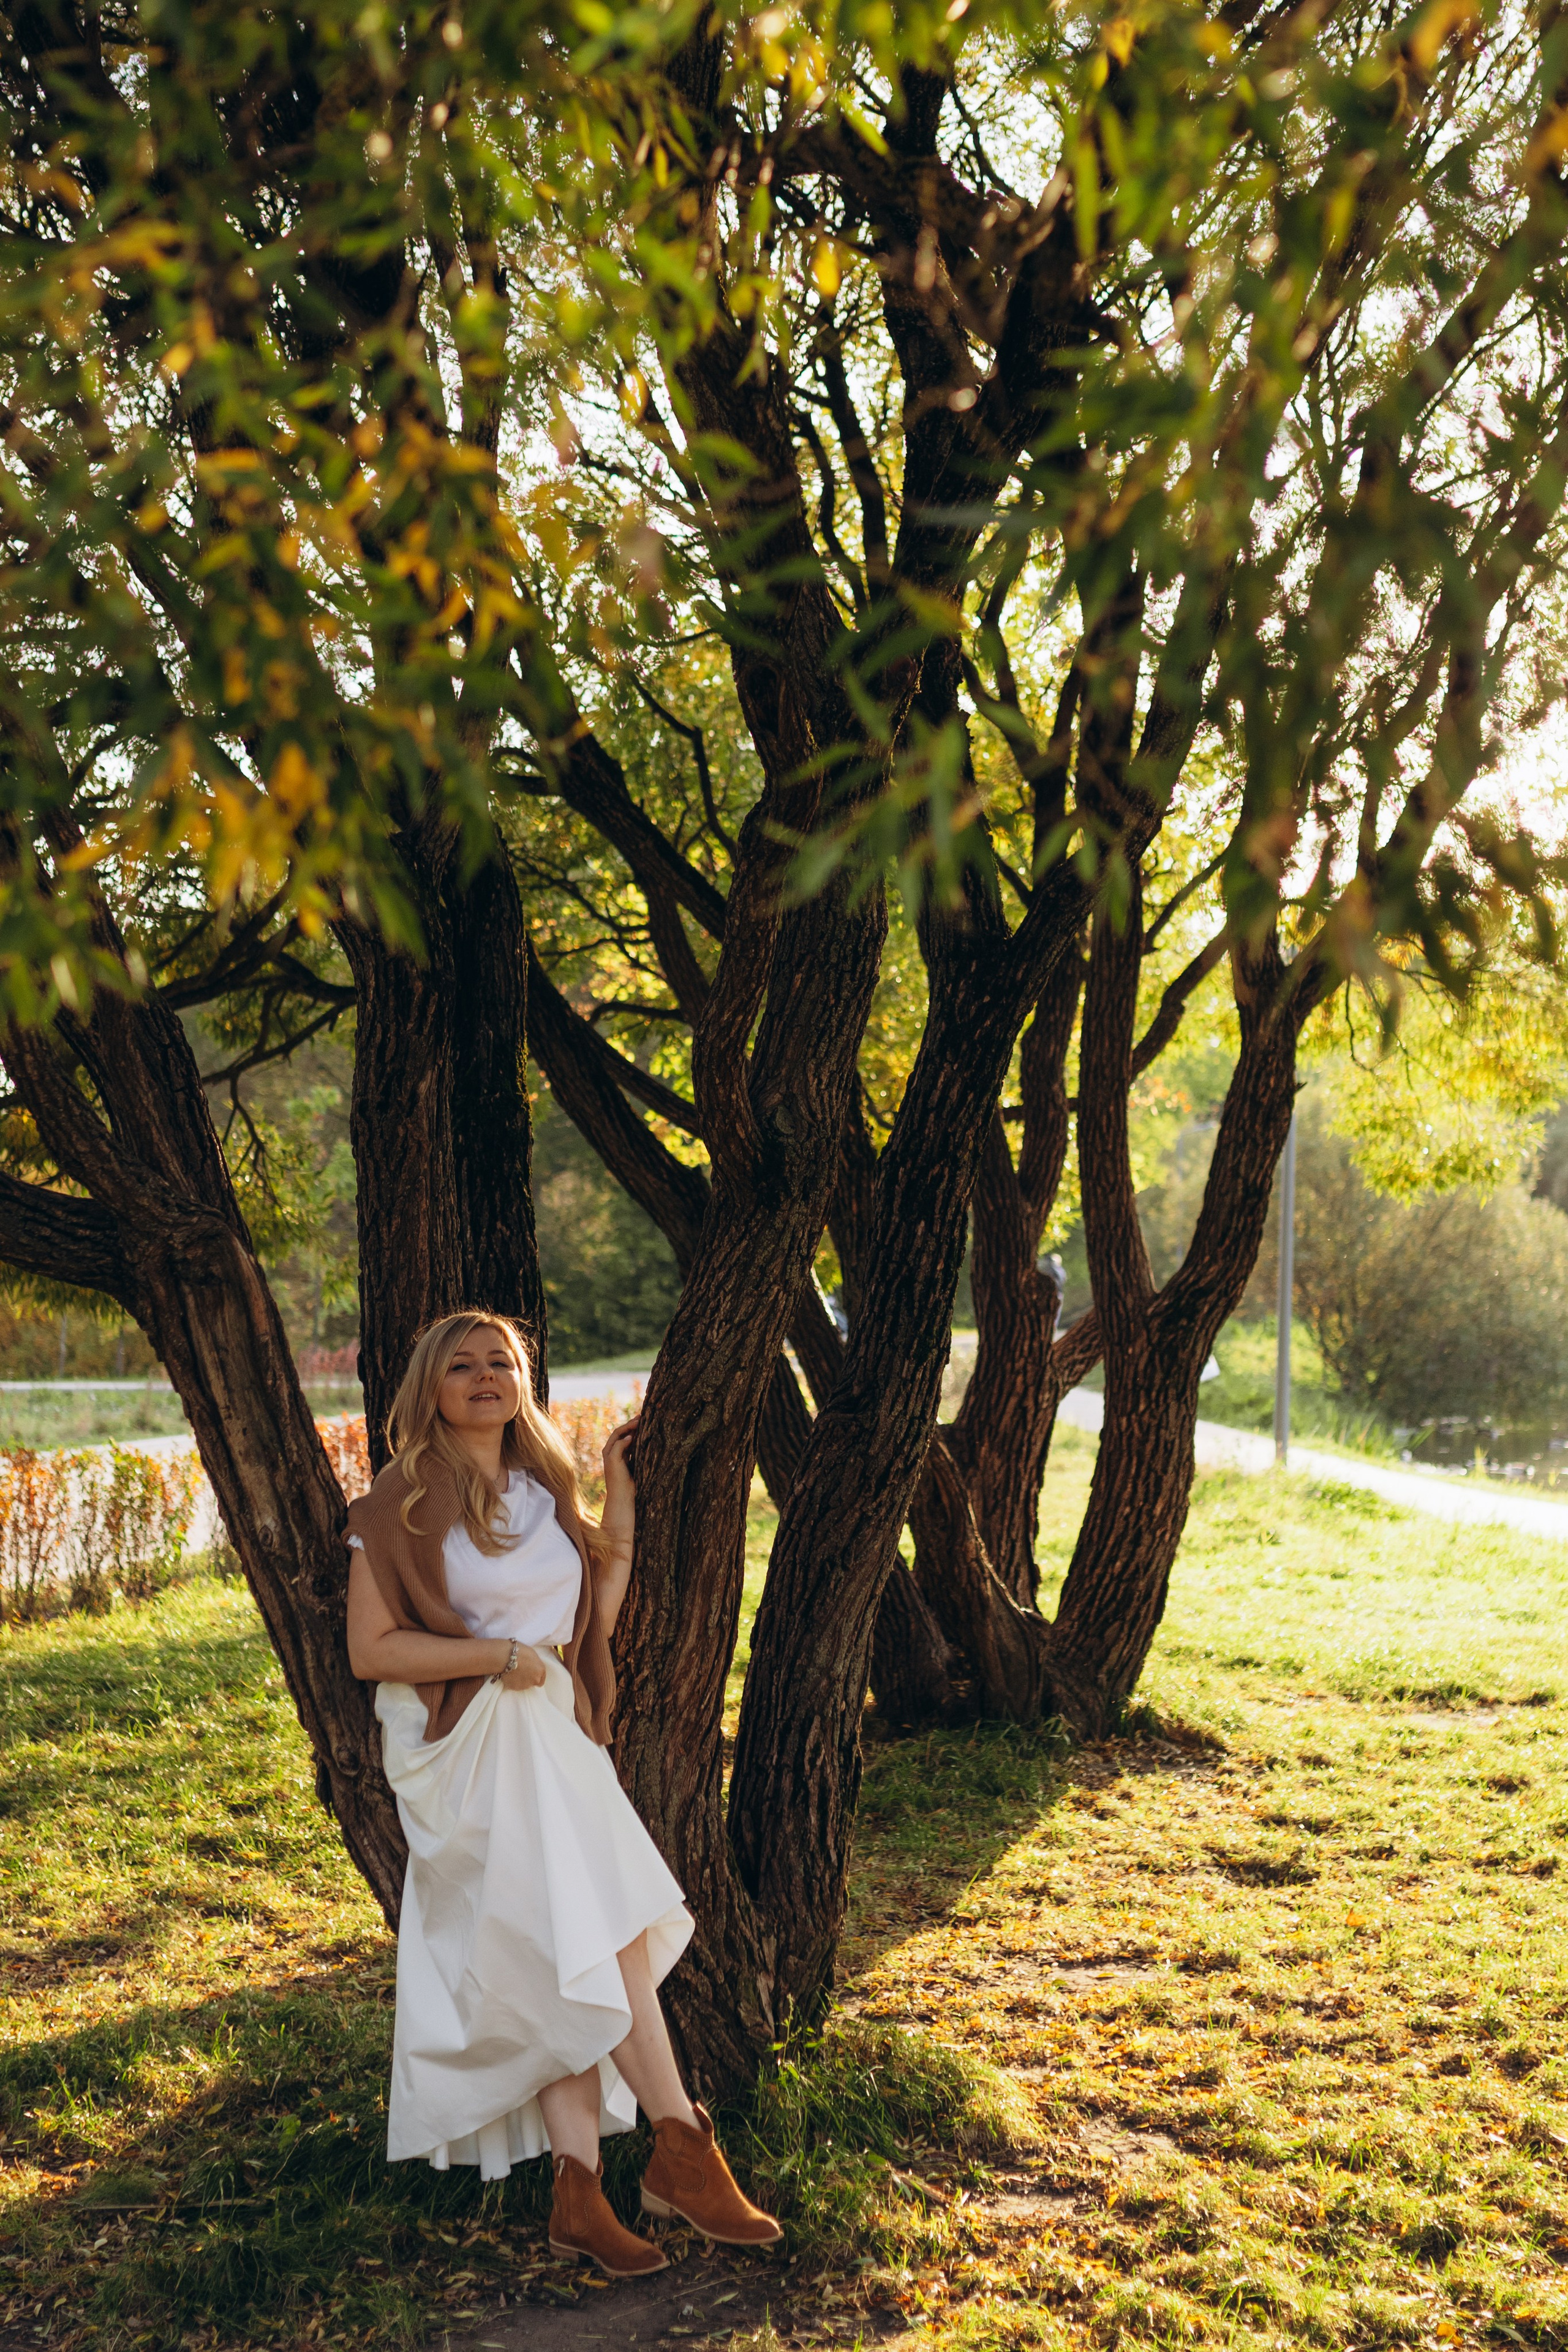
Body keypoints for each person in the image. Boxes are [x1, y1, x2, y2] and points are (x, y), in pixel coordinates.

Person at [345, 1309, 782, 2277]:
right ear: (431, 1389)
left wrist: (616, 1500)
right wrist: (496, 1656)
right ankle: (681, 2143)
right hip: (468, 1744)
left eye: (501, 1361)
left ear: (523, 1383)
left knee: (579, 1946)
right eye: (461, 1365)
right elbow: (372, 1651)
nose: (484, 1375)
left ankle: (580, 2190)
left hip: (550, 1733)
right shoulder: (399, 1502)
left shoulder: (544, 1492)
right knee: (598, 1936)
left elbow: (592, 1618)